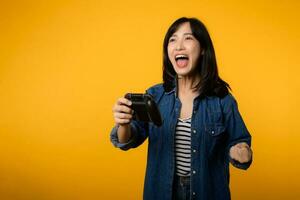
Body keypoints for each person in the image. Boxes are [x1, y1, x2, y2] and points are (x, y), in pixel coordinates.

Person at [110, 17, 253, 200]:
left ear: (202, 49)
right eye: (172, 39)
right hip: (162, 192)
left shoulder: (222, 100)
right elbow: (129, 139)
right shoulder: (155, 96)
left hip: (207, 192)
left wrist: (241, 151)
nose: (178, 46)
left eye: (188, 38)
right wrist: (123, 123)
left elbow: (240, 142)